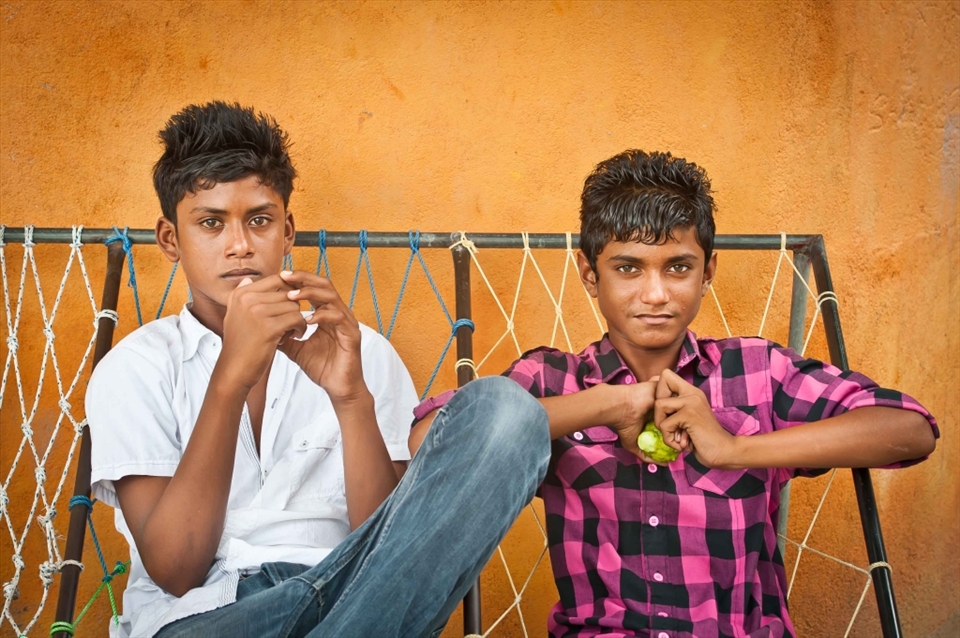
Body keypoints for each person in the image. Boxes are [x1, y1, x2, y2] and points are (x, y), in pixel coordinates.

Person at [411, 149, 939, 637]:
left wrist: (734, 448)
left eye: (678, 267)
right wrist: (612, 403)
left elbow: (910, 429)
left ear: (708, 271)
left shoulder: (755, 371)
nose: (656, 294)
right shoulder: (552, 381)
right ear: (590, 276)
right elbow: (430, 442)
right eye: (627, 268)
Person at [85, 101, 551, 638]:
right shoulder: (136, 368)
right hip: (208, 617)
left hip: (352, 600)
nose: (239, 246)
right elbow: (176, 570)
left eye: (259, 220)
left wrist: (352, 400)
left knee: (508, 411)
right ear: (171, 239)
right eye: (211, 223)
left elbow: (396, 554)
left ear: (287, 230)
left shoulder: (361, 351)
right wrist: (229, 379)